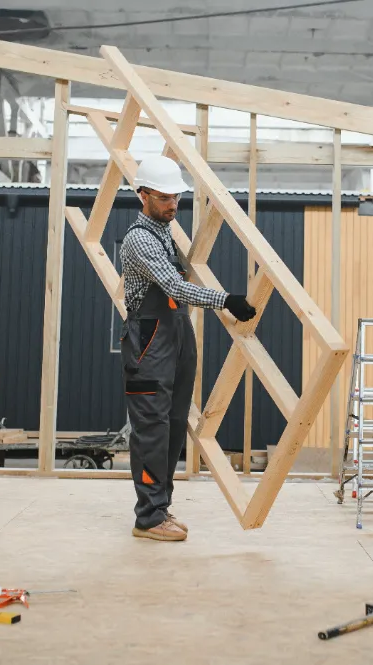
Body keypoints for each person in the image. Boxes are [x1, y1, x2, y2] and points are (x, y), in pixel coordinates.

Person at [119, 155, 257, 542]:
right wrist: (226, 298)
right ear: (143, 195)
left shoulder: (165, 231)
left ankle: (159, 507)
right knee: (151, 430)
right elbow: (175, 287)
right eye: (164, 198)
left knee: (174, 425)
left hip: (176, 337)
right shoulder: (139, 238)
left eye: (175, 197)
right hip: (149, 344)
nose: (172, 204)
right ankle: (147, 518)